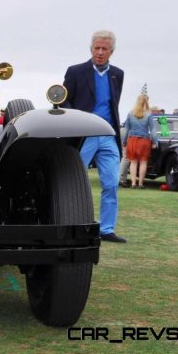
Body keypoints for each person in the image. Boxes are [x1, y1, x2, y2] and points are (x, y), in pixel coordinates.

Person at [62, 29, 126, 243]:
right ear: (91, 49)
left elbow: (112, 105)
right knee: (72, 181)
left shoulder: (118, 74)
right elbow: (63, 101)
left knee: (111, 183)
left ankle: (106, 229)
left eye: (104, 49)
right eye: (96, 48)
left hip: (108, 135)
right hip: (84, 134)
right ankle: (68, 225)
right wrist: (78, 119)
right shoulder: (75, 72)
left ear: (111, 51)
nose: (100, 52)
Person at [123, 94, 159, 188]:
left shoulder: (130, 113)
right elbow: (153, 130)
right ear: (146, 102)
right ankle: (141, 183)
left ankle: (133, 183)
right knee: (143, 162)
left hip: (132, 140)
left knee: (133, 162)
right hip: (144, 141)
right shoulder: (148, 114)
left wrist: (124, 141)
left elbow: (126, 129)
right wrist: (155, 141)